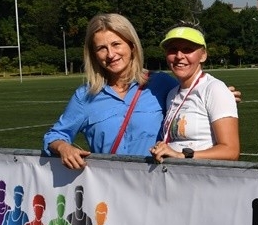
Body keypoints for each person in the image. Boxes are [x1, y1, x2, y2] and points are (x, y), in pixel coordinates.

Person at [43, 13, 240, 170]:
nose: (110, 54)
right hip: (108, 188)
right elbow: (54, 135)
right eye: (101, 48)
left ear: (132, 46)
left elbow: (189, 96)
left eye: (116, 44)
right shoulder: (85, 96)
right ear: (94, 55)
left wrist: (220, 95)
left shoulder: (160, 83)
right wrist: (63, 147)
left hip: (153, 187)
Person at [150, 23, 240, 162]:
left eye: (187, 49)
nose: (179, 56)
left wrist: (183, 155)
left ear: (203, 55)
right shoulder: (172, 94)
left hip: (201, 174)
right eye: (173, 50)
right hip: (176, 173)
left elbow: (231, 151)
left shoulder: (214, 89)